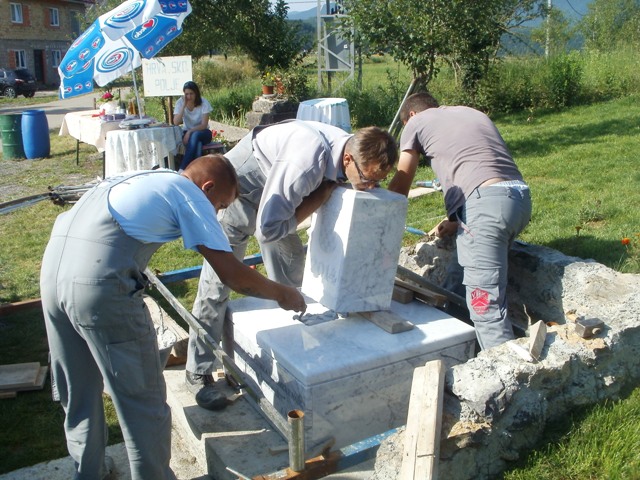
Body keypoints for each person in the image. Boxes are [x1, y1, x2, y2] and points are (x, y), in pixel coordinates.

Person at [40, 155, 306, 480]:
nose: (219, 213)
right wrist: (283, 293)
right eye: (221, 204)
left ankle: (90, 472)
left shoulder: (145, 177)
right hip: (99, 286)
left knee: (78, 390)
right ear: (207, 187)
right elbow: (234, 276)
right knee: (141, 401)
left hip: (53, 273)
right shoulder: (189, 193)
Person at [186, 120, 398, 409]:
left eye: (377, 180)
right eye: (367, 178)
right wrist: (320, 196)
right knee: (218, 280)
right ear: (347, 159)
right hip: (240, 191)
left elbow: (279, 216)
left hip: (277, 195)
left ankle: (297, 355)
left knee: (294, 271)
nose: (371, 186)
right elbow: (268, 230)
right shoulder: (306, 165)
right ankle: (198, 370)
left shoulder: (351, 148)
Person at [388, 92, 532, 351]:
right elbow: (479, 165)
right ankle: (455, 344)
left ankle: (508, 379)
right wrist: (456, 221)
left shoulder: (415, 123)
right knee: (458, 276)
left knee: (485, 307)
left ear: (411, 115)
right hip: (517, 198)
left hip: (487, 207)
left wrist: (378, 212)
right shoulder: (469, 111)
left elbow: (402, 179)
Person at [173, 81, 213, 172]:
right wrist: (183, 106)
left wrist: (190, 131)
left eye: (191, 94)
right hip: (189, 135)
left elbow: (204, 125)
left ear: (196, 93)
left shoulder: (204, 102)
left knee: (195, 135)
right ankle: (196, 171)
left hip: (203, 133)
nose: (189, 97)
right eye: (187, 94)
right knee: (197, 144)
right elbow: (176, 122)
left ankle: (182, 168)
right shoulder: (180, 102)